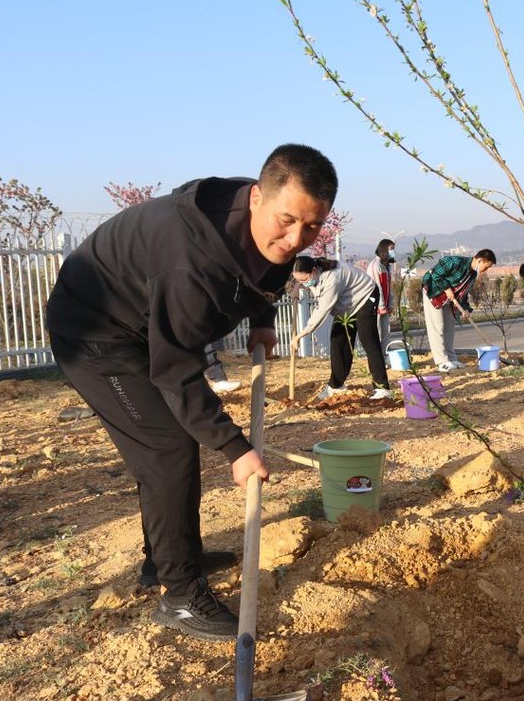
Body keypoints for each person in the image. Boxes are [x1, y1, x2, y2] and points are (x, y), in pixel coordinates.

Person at [46, 144, 336, 641]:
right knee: (167, 447)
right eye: (287, 221)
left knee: (169, 446)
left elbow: (267, 269)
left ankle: (164, 559)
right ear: (257, 197)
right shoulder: (190, 262)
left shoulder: (260, 218)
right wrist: (235, 448)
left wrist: (264, 317)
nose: (294, 240)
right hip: (97, 332)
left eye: (311, 227)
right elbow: (176, 370)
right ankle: (179, 593)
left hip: (144, 321)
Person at [291, 255, 392, 400]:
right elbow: (301, 279)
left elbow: (322, 310)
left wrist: (301, 335)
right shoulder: (314, 269)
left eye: (303, 280)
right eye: (298, 281)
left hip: (365, 296)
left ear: (313, 271)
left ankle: (382, 388)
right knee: (338, 342)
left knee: (368, 340)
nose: (303, 283)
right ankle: (336, 385)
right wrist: (296, 287)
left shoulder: (332, 278)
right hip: (346, 304)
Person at [420, 249, 496, 372]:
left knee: (449, 327)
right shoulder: (454, 262)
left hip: (449, 299)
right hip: (434, 293)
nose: (485, 271)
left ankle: (451, 358)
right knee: (437, 327)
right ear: (479, 260)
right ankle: (442, 362)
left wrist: (465, 309)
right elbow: (435, 274)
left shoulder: (472, 275)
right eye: (485, 267)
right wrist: (446, 288)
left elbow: (463, 294)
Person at [366, 239, 397, 358]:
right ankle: (378, 358)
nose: (393, 252)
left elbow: (388, 287)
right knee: (377, 333)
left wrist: (390, 304)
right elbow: (376, 287)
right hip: (376, 306)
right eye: (391, 250)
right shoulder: (375, 266)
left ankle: (385, 355)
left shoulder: (386, 266)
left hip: (385, 306)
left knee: (386, 333)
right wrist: (381, 306)